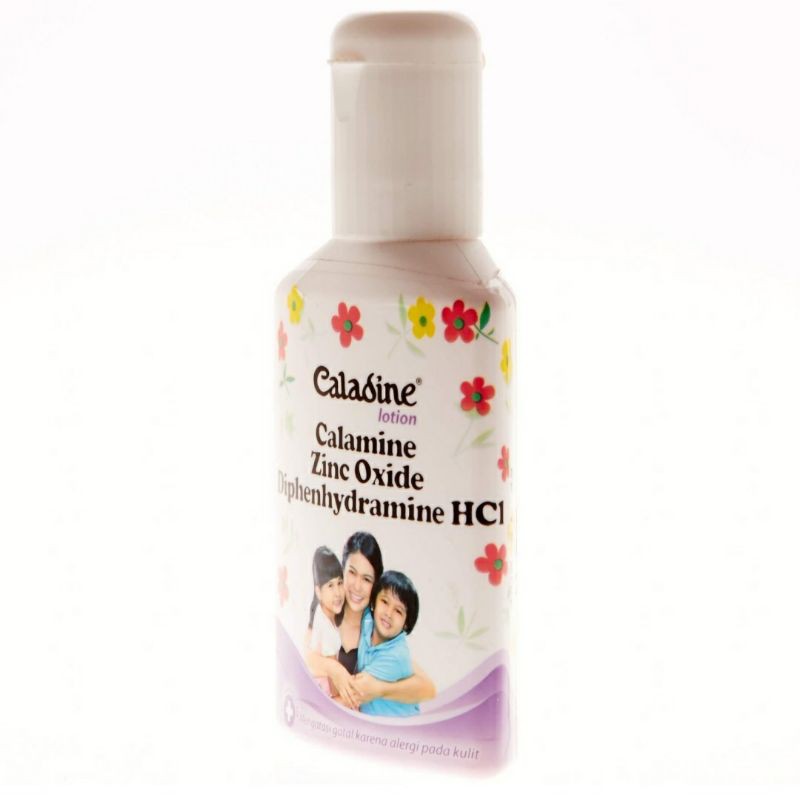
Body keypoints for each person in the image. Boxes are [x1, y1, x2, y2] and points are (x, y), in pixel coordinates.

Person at [304, 532, 436, 710]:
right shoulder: (327, 611)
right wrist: (333, 669)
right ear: (342, 571)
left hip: (356, 721)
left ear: (376, 584)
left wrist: (380, 689)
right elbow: (305, 656)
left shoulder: (377, 626)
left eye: (366, 579)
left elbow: (427, 688)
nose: (357, 586)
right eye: (352, 573)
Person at [357, 571, 420, 716]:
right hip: (368, 724)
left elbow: (353, 692)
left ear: (406, 623)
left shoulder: (397, 656)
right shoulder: (367, 621)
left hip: (397, 729)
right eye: (385, 602)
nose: (388, 614)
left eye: (398, 611)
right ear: (374, 602)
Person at [307, 546, 345, 696]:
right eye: (330, 585)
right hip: (325, 694)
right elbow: (334, 678)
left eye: (340, 583)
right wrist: (340, 702)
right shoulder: (326, 628)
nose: (337, 593)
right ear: (318, 591)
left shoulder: (320, 612)